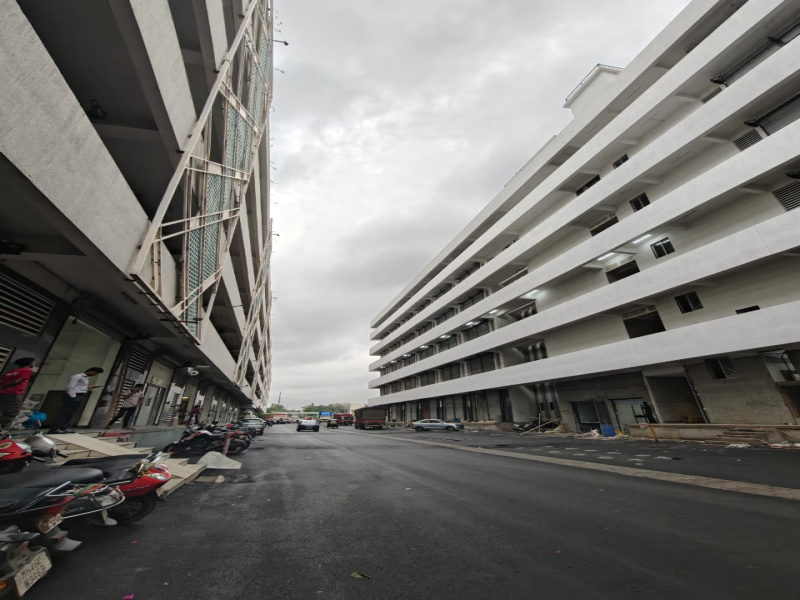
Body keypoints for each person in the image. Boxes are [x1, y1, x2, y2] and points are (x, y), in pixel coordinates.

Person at [47, 367, 104, 434]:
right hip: (73, 396)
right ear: (91, 371)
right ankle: (54, 428)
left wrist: (89, 387)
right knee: (64, 413)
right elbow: (70, 387)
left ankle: (62, 427)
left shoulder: (85, 378)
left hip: (79, 396)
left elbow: (79, 387)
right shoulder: (77, 376)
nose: (95, 375)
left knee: (70, 413)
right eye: (95, 373)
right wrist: (73, 397)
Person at [0, 357, 36, 431]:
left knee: (2, 410)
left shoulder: (10, 372)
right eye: (33, 363)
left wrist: (3, 387)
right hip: (14, 394)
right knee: (11, 412)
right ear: (30, 363)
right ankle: (2, 430)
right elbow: (17, 381)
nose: (34, 364)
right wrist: (5, 386)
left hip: (2, 393)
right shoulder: (27, 371)